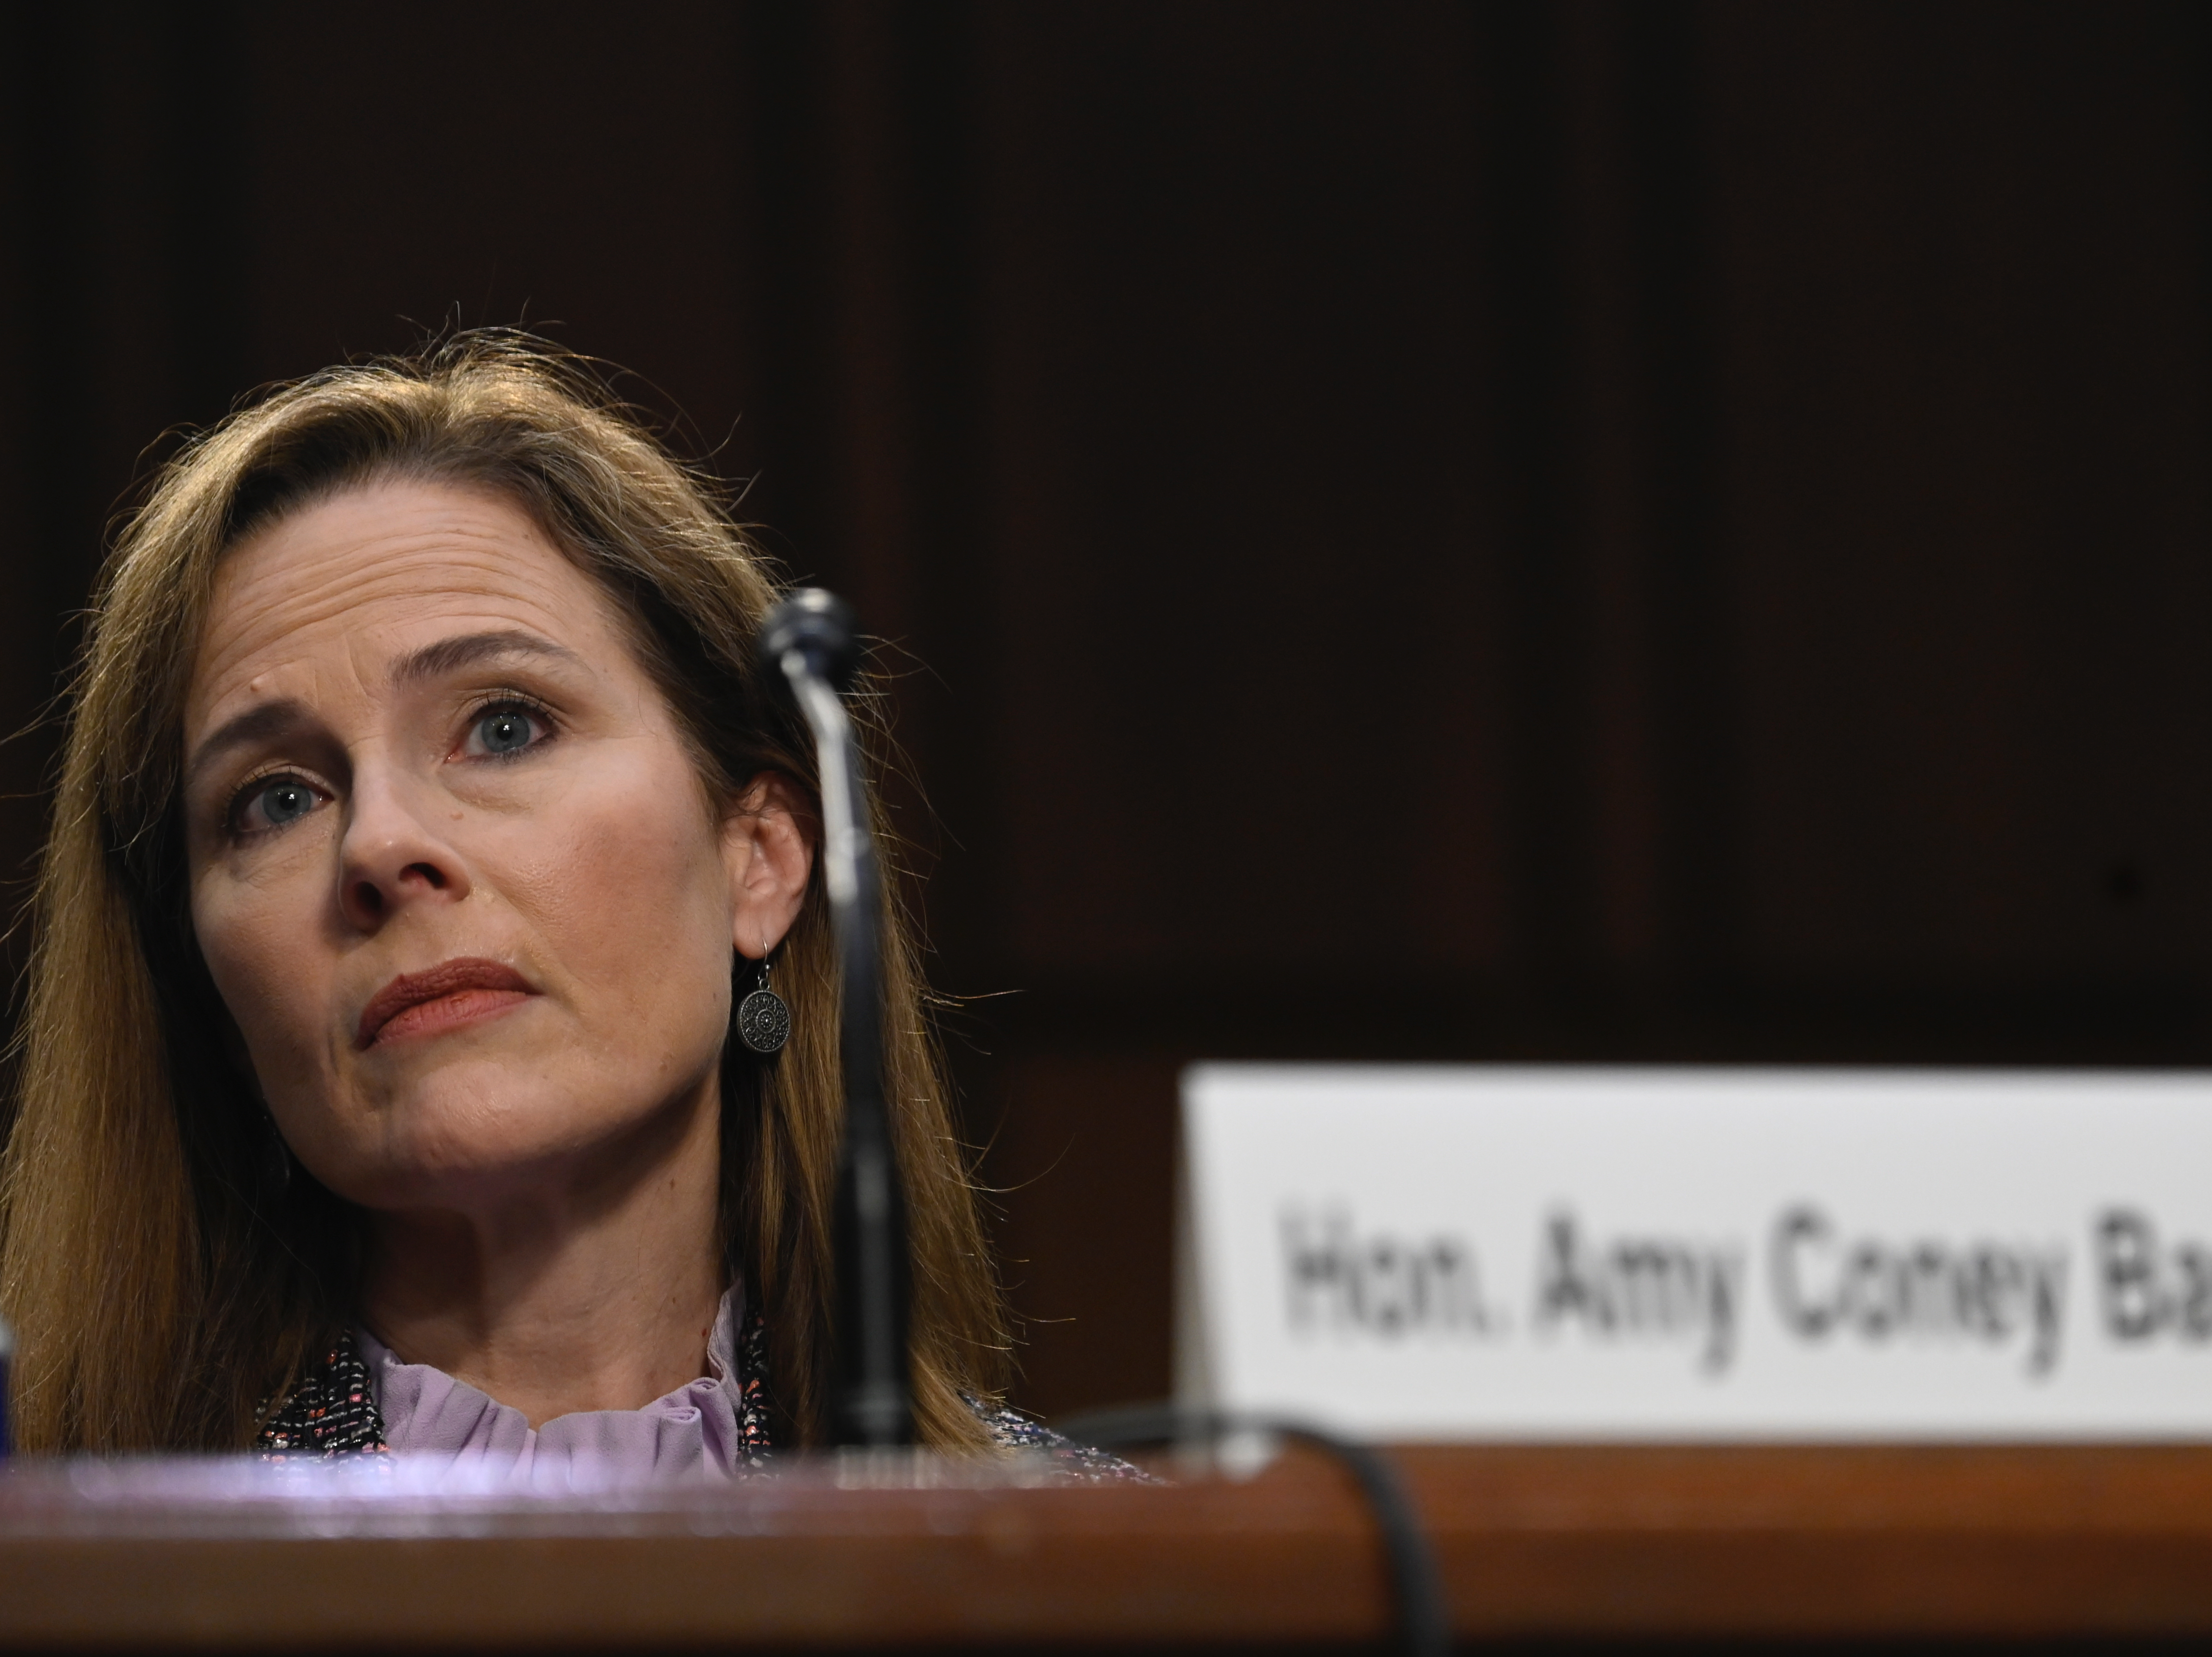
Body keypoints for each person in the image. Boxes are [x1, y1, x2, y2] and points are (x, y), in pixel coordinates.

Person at [0, 334, 1120, 1481]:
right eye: (276, 799)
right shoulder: (63, 1586)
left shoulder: (1102, 1572)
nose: (381, 844)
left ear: (761, 858)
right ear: (209, 992)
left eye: (504, 727)